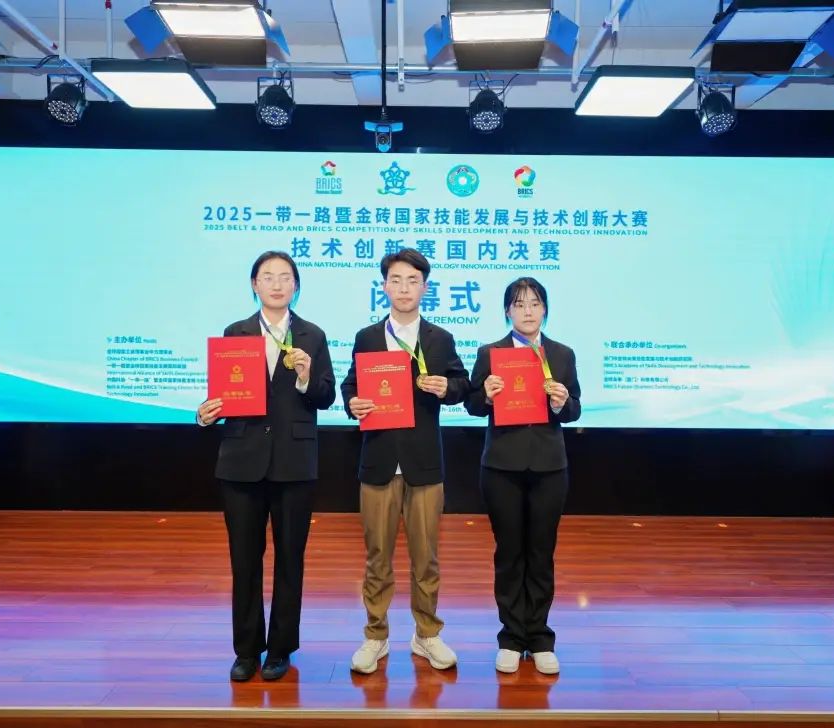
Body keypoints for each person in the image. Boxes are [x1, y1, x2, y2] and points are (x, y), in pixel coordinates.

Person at [196, 250, 335, 682]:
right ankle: (246, 649)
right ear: (254, 285)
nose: (277, 284)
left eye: (285, 277)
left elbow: (327, 395)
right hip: (242, 460)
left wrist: (306, 377)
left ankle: (280, 648)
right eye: (268, 276)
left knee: (290, 559)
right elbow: (225, 394)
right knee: (244, 560)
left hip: (294, 462)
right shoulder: (235, 333)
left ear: (296, 286)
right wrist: (206, 413)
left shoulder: (312, 335)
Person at [340, 248, 471, 674]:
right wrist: (353, 403)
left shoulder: (439, 338)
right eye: (395, 280)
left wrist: (446, 388)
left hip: (424, 463)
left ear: (424, 288)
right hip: (378, 460)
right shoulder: (367, 336)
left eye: (412, 281)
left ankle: (427, 633)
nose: (403, 288)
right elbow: (350, 386)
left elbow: (463, 384)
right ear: (384, 286)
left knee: (425, 556)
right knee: (377, 555)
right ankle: (375, 635)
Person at [464, 277, 581, 675]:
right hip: (502, 468)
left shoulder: (562, 354)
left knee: (541, 553)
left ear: (544, 309)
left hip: (549, 467)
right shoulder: (491, 353)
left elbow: (575, 409)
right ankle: (512, 638)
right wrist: (486, 394)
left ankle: (541, 637)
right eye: (519, 304)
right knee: (510, 553)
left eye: (534, 303)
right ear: (507, 311)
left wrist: (562, 402)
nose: (528, 311)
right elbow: (473, 405)